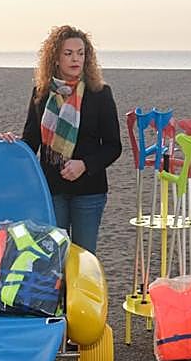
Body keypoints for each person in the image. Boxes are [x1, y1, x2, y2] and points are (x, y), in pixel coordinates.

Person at [18, 25, 122, 253]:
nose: (76, 59)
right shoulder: (41, 93)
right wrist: (11, 145)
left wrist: (84, 164)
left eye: (80, 53)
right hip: (52, 189)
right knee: (53, 257)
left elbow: (114, 146)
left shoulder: (100, 93)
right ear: (55, 58)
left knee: (83, 257)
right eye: (68, 53)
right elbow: (30, 141)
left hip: (89, 191)